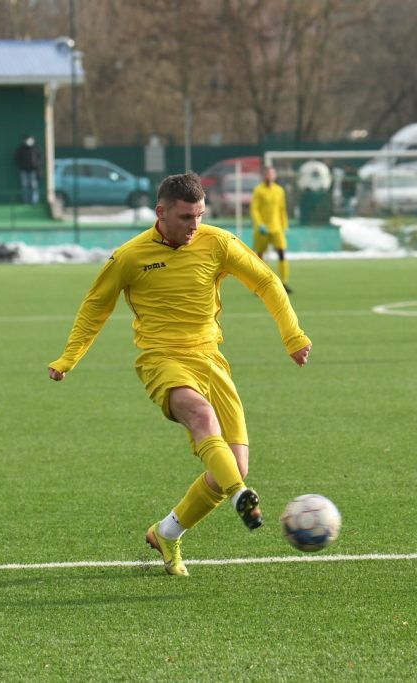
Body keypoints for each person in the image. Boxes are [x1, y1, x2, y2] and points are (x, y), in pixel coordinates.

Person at [47, 172, 312, 577]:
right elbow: (94, 307)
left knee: (233, 466)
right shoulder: (130, 257)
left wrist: (292, 335)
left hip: (211, 359)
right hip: (161, 359)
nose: (195, 226)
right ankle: (242, 496)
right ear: (161, 212)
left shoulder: (217, 242)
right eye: (187, 217)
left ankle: (167, 532)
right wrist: (69, 358)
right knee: (202, 418)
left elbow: (267, 282)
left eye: (200, 216)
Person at [250, 165, 292, 293]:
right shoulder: (259, 190)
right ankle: (258, 284)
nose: (269, 176)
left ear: (275, 176)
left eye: (271, 174)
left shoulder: (279, 190)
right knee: (259, 256)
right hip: (262, 229)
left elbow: (281, 209)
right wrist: (260, 224)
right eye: (267, 174)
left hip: (276, 227)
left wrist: (284, 225)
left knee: (282, 252)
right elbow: (254, 209)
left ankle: (284, 282)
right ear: (264, 175)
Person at [14, 134, 42, 205]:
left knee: (34, 186)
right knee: (25, 186)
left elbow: (39, 158)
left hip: (33, 170)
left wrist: (37, 168)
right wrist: (21, 166)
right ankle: (25, 201)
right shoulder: (21, 149)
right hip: (24, 170)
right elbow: (17, 159)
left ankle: (34, 201)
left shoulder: (35, 148)